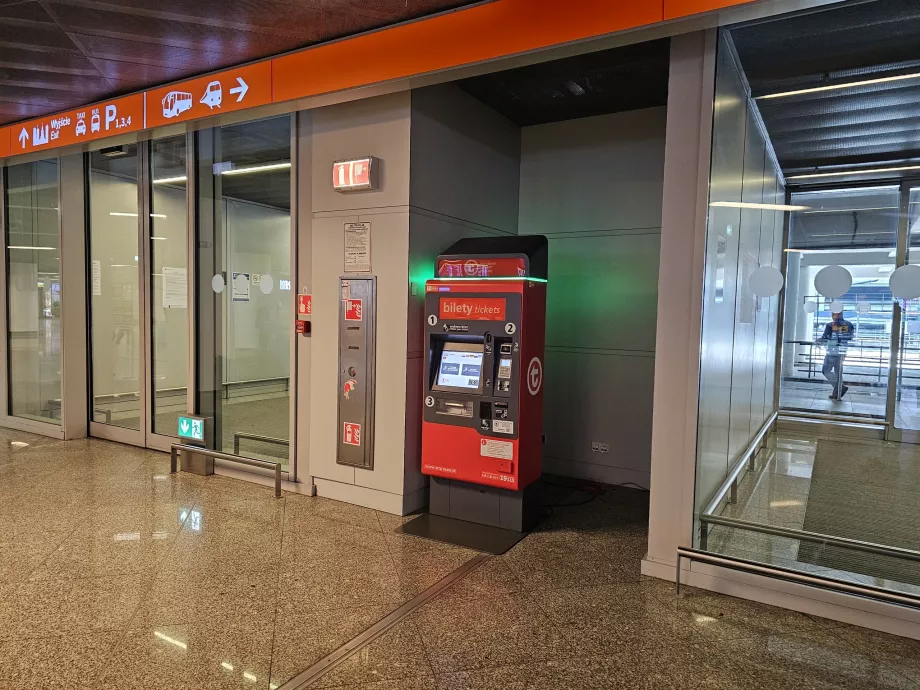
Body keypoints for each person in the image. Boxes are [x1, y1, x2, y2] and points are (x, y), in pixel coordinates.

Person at [819, 310, 855, 400]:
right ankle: (839, 389)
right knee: (835, 371)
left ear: (840, 314)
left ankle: (838, 390)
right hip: (837, 351)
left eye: (834, 314)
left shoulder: (843, 325)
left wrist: (836, 331)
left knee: (829, 370)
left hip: (836, 351)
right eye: (833, 314)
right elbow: (826, 337)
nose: (833, 316)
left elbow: (847, 336)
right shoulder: (832, 325)